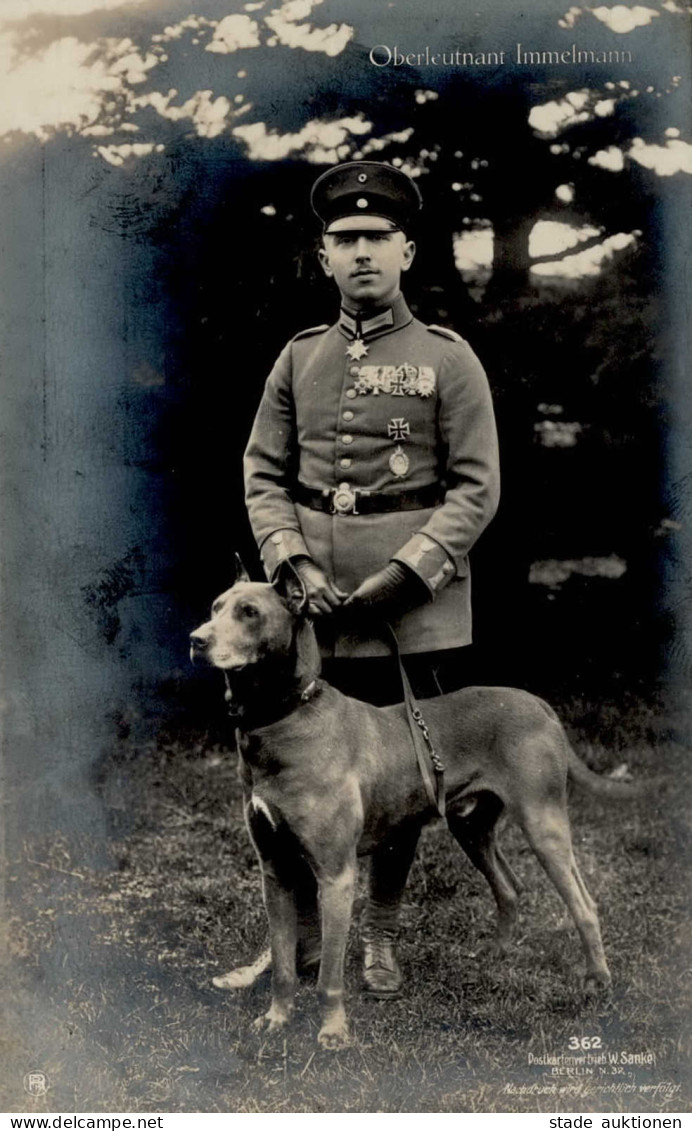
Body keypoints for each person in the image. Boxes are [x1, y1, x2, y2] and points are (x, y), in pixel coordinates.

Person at [240, 160, 500, 998]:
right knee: (299, 770)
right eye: (345, 239)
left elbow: (476, 488)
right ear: (323, 257)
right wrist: (293, 561)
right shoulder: (298, 357)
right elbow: (262, 473)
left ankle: (380, 935)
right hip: (309, 610)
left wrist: (405, 572)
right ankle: (302, 944)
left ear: (409, 251)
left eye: (377, 238)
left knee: (400, 782)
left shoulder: (448, 359)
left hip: (410, 611)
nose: (361, 253)